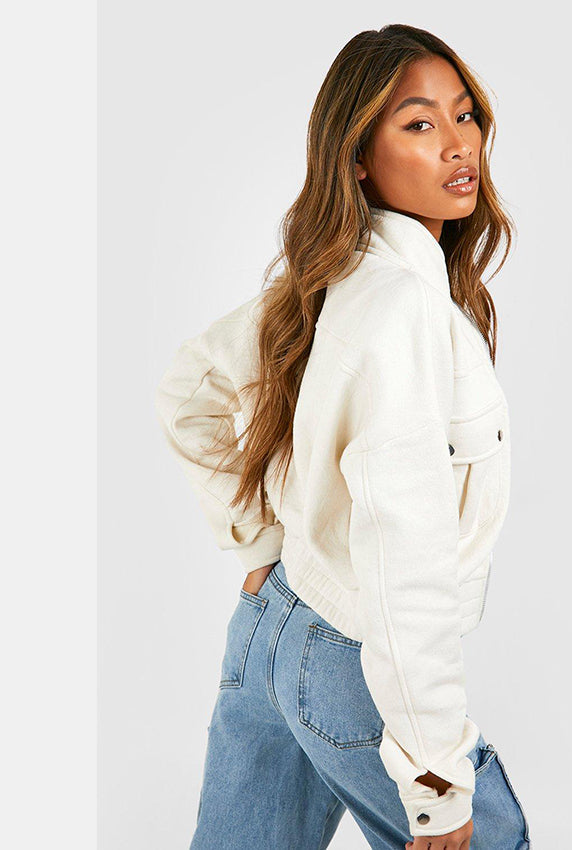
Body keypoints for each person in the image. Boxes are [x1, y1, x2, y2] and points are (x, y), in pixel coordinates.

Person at [155, 23, 530, 850]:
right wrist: (435, 781)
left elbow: (188, 389)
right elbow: (406, 566)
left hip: (271, 626)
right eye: (419, 123)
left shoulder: (335, 273)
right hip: (350, 658)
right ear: (357, 156)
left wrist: (261, 542)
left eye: (464, 114)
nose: (459, 144)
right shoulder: (403, 312)